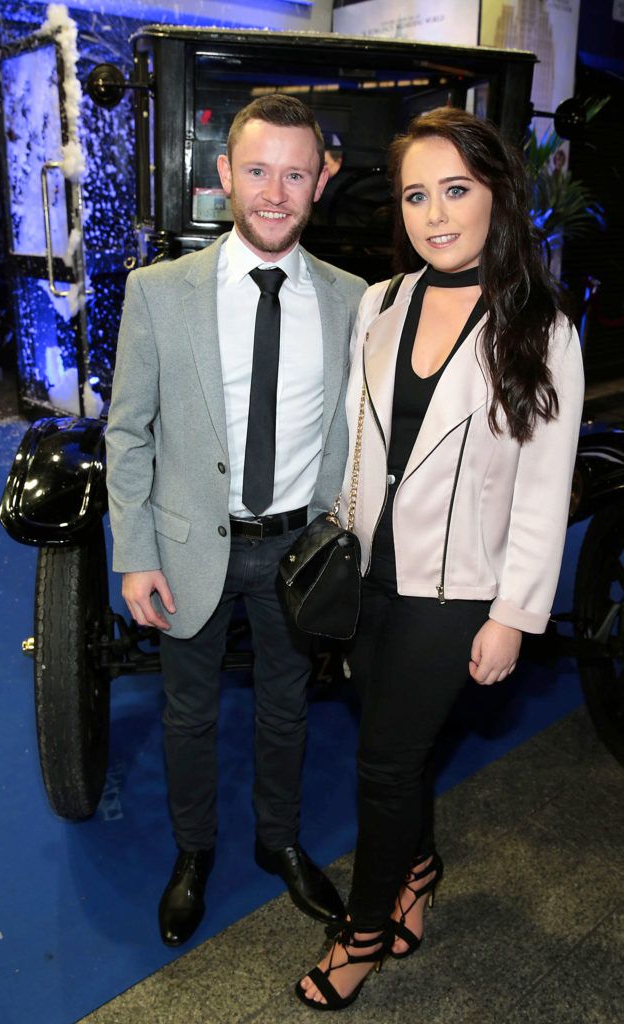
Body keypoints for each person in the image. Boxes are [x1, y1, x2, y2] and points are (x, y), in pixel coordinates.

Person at [297, 106, 584, 1010]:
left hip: (456, 591)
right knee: (398, 749)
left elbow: (543, 486)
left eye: (454, 189)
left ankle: (366, 928)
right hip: (366, 575)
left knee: (382, 763)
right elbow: (352, 440)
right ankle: (417, 867)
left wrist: (512, 616)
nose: (435, 214)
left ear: (496, 193)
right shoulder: (379, 305)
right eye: (417, 195)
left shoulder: (541, 326)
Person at [105, 94, 367, 947]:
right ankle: (193, 854)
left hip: (297, 551)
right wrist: (134, 552)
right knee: (187, 714)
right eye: (257, 170)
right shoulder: (158, 293)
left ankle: (278, 841)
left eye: (296, 173)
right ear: (222, 175)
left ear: (320, 182)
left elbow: (355, 433)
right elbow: (128, 429)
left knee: (288, 709)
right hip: (186, 548)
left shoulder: (351, 300)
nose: (275, 191)